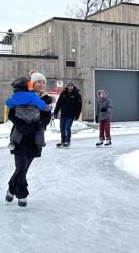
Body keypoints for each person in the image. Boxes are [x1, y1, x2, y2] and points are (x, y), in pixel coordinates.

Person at [5, 70, 52, 207]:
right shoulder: (19, 96)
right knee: (21, 166)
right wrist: (21, 126)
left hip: (35, 137)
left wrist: (38, 125)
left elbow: (47, 117)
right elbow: (11, 115)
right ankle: (22, 194)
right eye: (38, 82)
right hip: (19, 137)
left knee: (24, 168)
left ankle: (11, 188)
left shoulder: (45, 99)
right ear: (31, 84)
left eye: (44, 82)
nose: (41, 84)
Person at [5, 76, 47, 150]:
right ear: (25, 86)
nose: (31, 87)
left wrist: (15, 104)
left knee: (18, 130)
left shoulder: (15, 96)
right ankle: (39, 143)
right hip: (34, 117)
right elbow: (40, 104)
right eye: (30, 85)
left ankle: (13, 142)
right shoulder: (32, 95)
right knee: (40, 130)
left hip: (21, 117)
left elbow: (8, 103)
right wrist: (45, 107)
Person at [53, 80, 82, 148]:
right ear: (67, 86)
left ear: (73, 86)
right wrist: (55, 112)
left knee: (67, 128)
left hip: (71, 115)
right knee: (62, 128)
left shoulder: (77, 94)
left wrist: (77, 115)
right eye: (69, 85)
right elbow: (58, 103)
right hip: (63, 114)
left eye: (71, 85)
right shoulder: (63, 93)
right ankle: (62, 141)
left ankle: (67, 141)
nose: (70, 86)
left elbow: (79, 106)